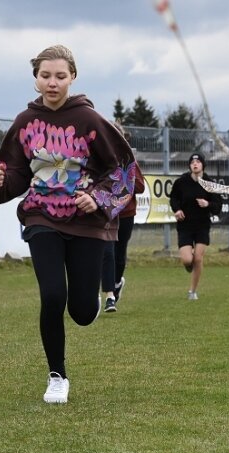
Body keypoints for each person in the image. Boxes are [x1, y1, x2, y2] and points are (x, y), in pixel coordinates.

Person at [0, 45, 136, 404]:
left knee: (81, 312)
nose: (52, 83)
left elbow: (124, 172)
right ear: (36, 78)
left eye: (60, 76)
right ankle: (57, 376)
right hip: (41, 216)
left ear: (73, 78)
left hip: (86, 221)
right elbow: (15, 172)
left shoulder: (91, 121)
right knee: (52, 295)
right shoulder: (24, 122)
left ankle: (92, 302)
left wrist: (97, 198)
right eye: (45, 76)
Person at [101, 122, 145, 313]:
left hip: (126, 214)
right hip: (106, 213)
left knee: (119, 256)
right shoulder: (100, 159)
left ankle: (118, 282)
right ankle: (109, 296)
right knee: (107, 253)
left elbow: (141, 187)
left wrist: (126, 179)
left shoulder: (130, 161)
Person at [169, 152, 222, 300]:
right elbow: (173, 198)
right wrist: (177, 210)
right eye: (192, 162)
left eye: (198, 162)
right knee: (187, 260)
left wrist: (208, 204)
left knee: (198, 258)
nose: (195, 164)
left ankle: (192, 291)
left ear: (203, 165)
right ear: (189, 165)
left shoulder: (209, 184)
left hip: (202, 226)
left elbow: (218, 206)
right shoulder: (181, 182)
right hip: (185, 225)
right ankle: (189, 264)